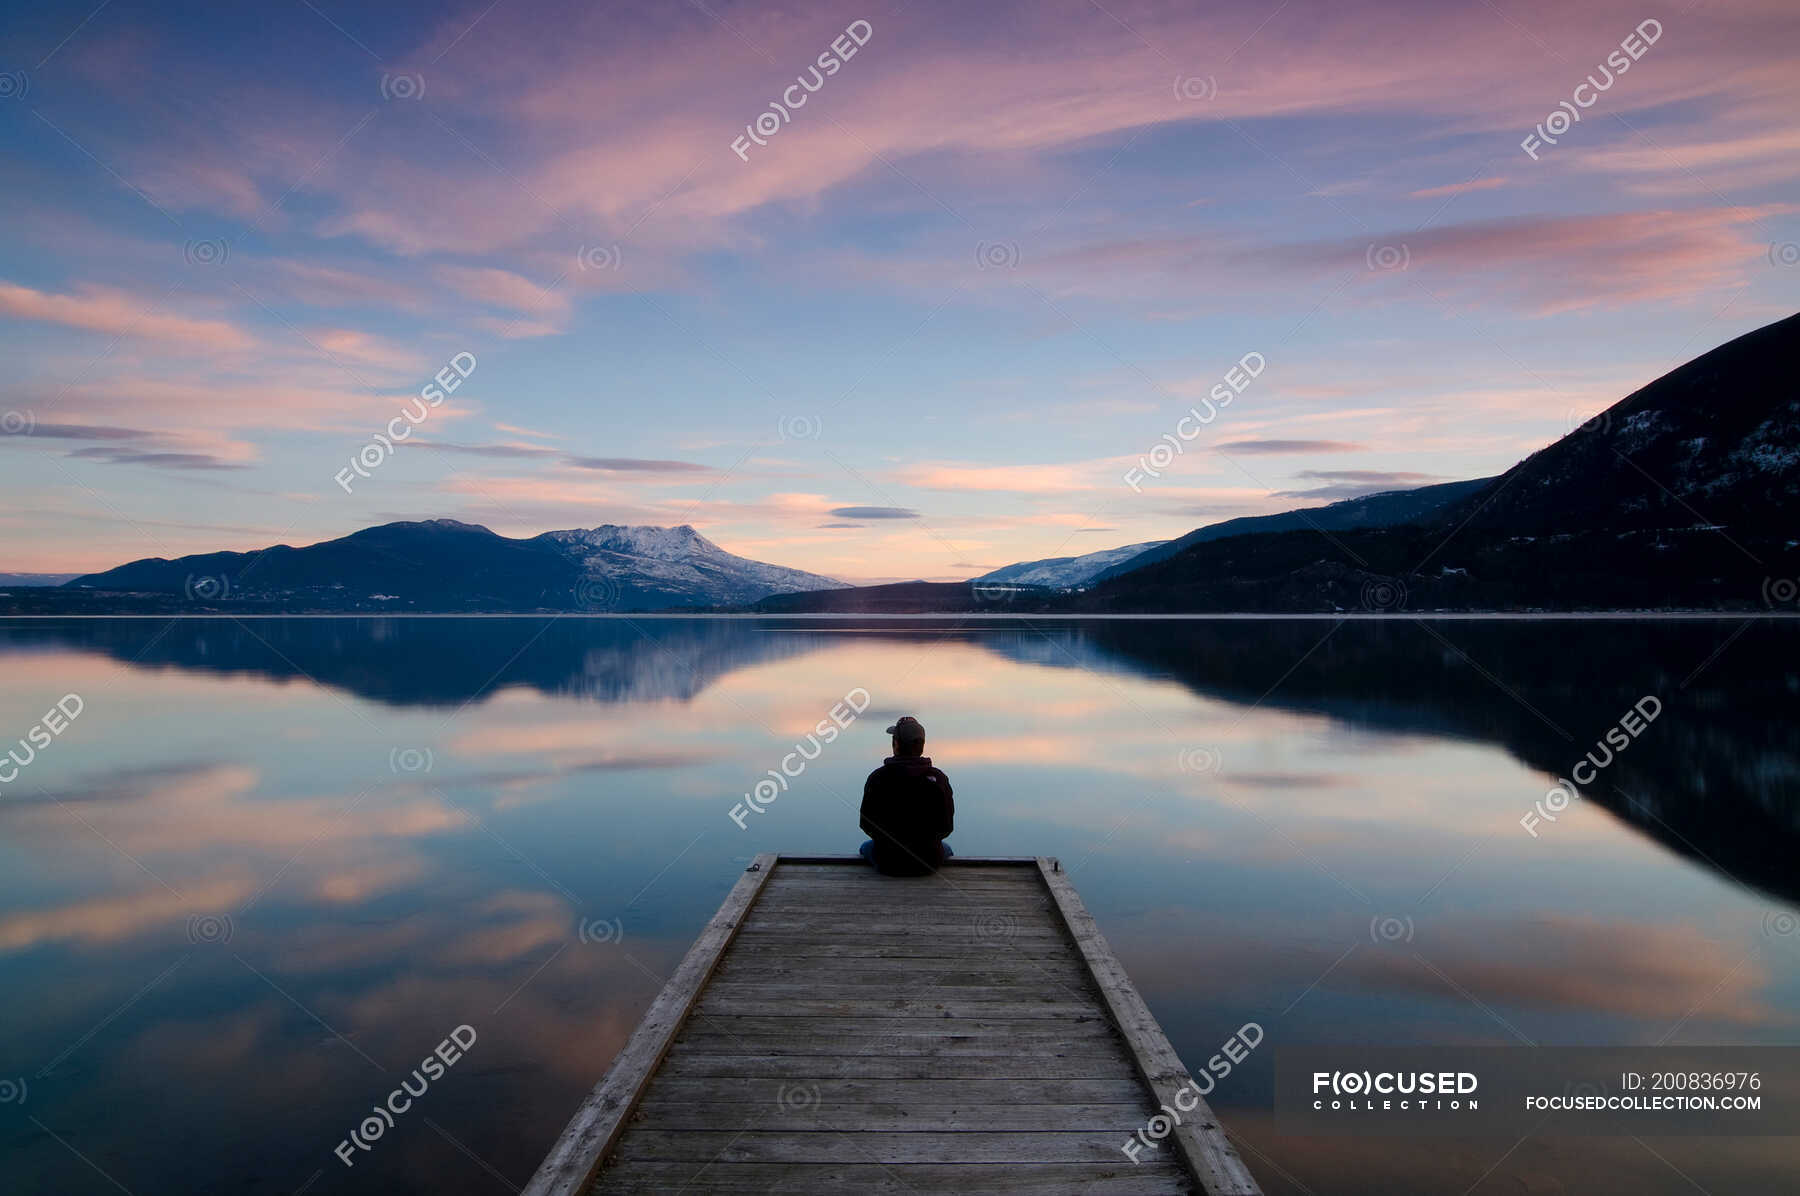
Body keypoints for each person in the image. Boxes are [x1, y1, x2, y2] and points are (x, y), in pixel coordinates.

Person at [858, 715, 954, 875]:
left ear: (895, 744)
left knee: (864, 847)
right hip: (928, 862)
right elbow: (946, 828)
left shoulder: (877, 778)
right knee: (947, 849)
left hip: (888, 862)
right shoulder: (939, 779)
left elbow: (866, 824)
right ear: (922, 746)